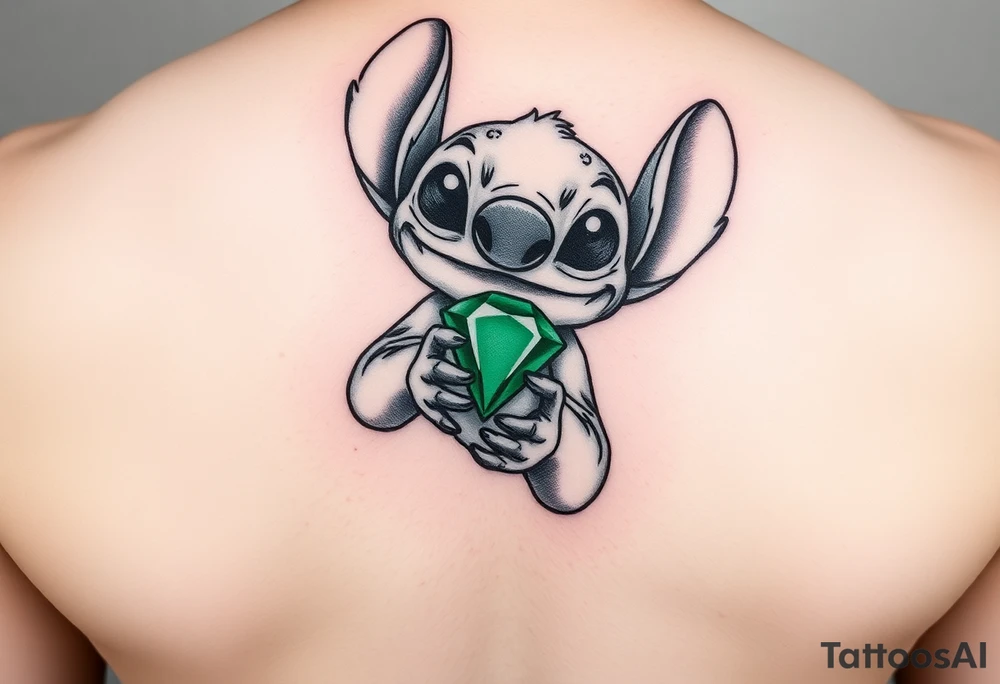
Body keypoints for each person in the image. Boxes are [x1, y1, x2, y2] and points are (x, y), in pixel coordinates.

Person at [1, 0, 997, 682]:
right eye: (452, 194)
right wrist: (429, 375)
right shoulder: (970, 233)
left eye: (585, 235)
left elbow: (573, 469)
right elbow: (378, 392)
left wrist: (546, 428)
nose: (510, 244)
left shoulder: (30, 226)